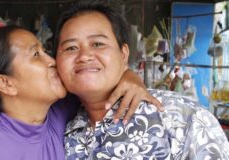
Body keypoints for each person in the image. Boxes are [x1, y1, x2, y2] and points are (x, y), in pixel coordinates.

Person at [54, 1, 229, 159]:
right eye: (71, 48)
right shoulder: (62, 134)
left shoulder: (181, 118)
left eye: (98, 44)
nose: (84, 56)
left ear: (123, 54)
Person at [0, 25, 161, 160]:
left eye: (45, 51)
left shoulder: (57, 108)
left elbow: (99, 80)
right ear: (5, 83)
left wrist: (129, 76)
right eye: (36, 54)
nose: (52, 61)